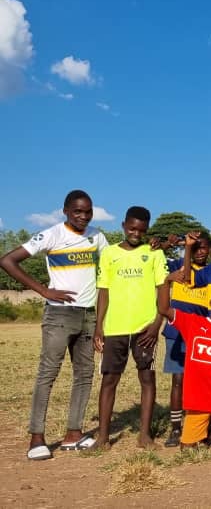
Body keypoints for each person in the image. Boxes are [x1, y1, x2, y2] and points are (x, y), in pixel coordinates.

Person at [1, 190, 109, 459]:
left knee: (83, 375)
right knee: (48, 374)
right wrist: (44, 290)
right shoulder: (52, 235)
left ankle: (74, 433)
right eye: (77, 212)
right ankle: (36, 438)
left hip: (88, 315)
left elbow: (112, 265)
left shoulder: (97, 236)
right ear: (65, 211)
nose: (83, 216)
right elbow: (7, 260)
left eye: (87, 212)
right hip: (59, 315)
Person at [94, 206, 168, 448]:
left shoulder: (154, 253)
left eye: (142, 230)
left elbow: (163, 289)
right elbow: (103, 291)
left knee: (147, 377)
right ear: (124, 225)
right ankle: (103, 437)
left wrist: (157, 324)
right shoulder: (109, 254)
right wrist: (99, 326)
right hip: (115, 327)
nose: (136, 233)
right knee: (109, 380)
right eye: (132, 228)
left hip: (144, 328)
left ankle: (144, 436)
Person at [156, 283, 211, 453]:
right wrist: (166, 282)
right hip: (198, 401)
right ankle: (204, 433)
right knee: (186, 450)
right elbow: (164, 309)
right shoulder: (192, 323)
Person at [162, 231, 211, 447]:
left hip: (201, 333)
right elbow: (154, 258)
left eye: (203, 248)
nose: (200, 252)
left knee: (201, 380)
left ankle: (203, 424)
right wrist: (167, 243)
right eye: (195, 247)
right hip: (177, 331)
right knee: (178, 380)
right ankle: (175, 427)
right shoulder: (177, 266)